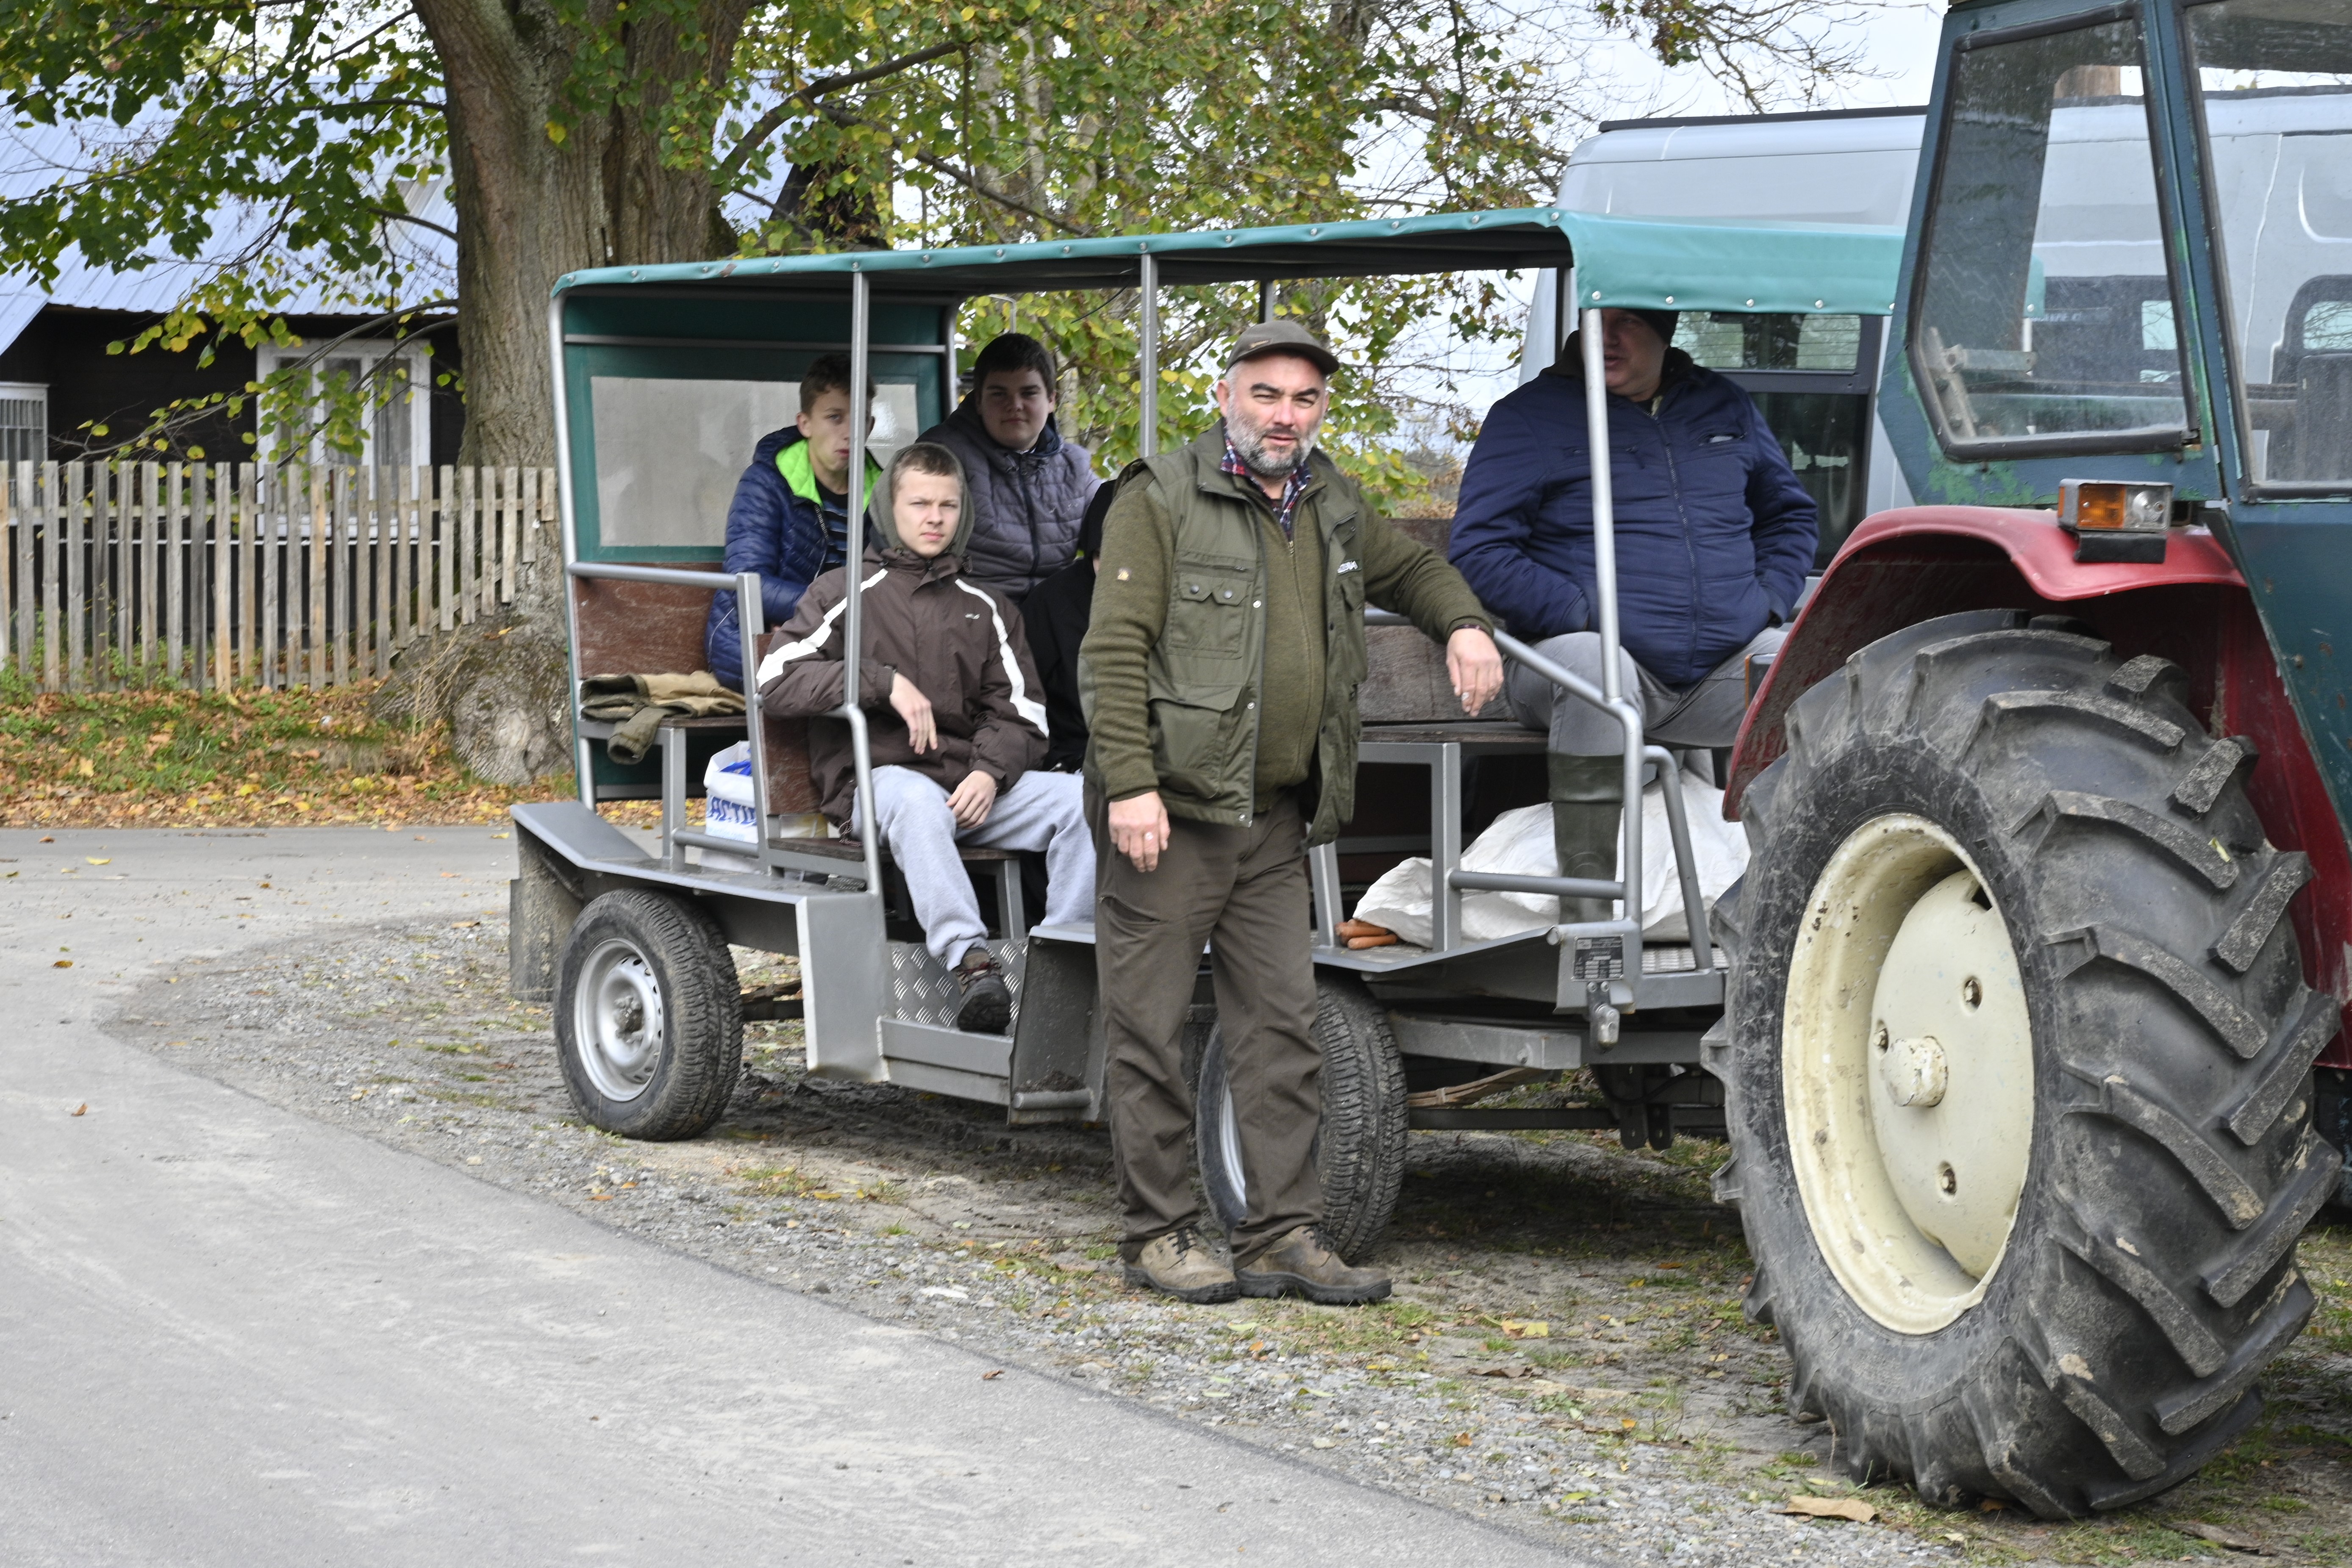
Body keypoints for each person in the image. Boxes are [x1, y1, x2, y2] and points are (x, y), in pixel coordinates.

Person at [1081, 319, 1504, 1307]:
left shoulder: (1328, 499)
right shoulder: (1162, 496)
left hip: (1273, 817)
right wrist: (1132, 783)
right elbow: (1112, 652)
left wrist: (1467, 625)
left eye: (1304, 399)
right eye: (1266, 394)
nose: (1285, 414)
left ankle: (1279, 1234)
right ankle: (1162, 1232)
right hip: (1172, 814)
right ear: (1228, 393)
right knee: (1148, 1029)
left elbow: (1413, 571)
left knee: (1282, 1028)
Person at [1447, 308, 1817, 920]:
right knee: (1599, 669)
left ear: (1664, 330)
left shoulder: (1723, 404)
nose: (1606, 336)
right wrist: (1580, 611)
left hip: (1711, 673)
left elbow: (1790, 516)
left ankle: (1788, 904)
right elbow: (1480, 550)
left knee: (1798, 666)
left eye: (1627, 323)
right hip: (1566, 665)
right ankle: (1589, 914)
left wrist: (1768, 600)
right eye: (1595, 319)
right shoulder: (1529, 416)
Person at [755, 442, 1094, 1035]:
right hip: (876, 788)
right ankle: (971, 960)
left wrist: (989, 772)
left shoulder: (986, 605)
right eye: (919, 504)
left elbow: (1025, 713)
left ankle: (1060, 964)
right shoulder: (842, 593)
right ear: (890, 507)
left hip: (968, 788)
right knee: (914, 801)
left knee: (1083, 799)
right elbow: (774, 680)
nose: (934, 518)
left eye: (947, 505)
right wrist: (880, 683)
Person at [704, 354, 881, 690]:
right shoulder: (765, 483)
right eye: (834, 418)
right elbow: (747, 583)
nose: (848, 433)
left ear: (871, 426)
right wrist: (830, 611)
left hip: (841, 642)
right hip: (751, 641)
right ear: (805, 424)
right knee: (865, 685)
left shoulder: (885, 494)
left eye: (859, 419)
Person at [919, 332, 1099, 603]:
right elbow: (897, 541)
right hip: (970, 612)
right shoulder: (942, 456)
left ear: (1052, 400)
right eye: (999, 394)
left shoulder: (1075, 466)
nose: (1014, 405)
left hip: (1054, 613)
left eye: (1029, 393)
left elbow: (1117, 521)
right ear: (978, 401)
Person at [1023, 483, 1116, 773]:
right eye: (1105, 556)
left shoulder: (1173, 594)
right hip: (1075, 758)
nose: (1119, 572)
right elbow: (1022, 698)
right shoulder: (1052, 602)